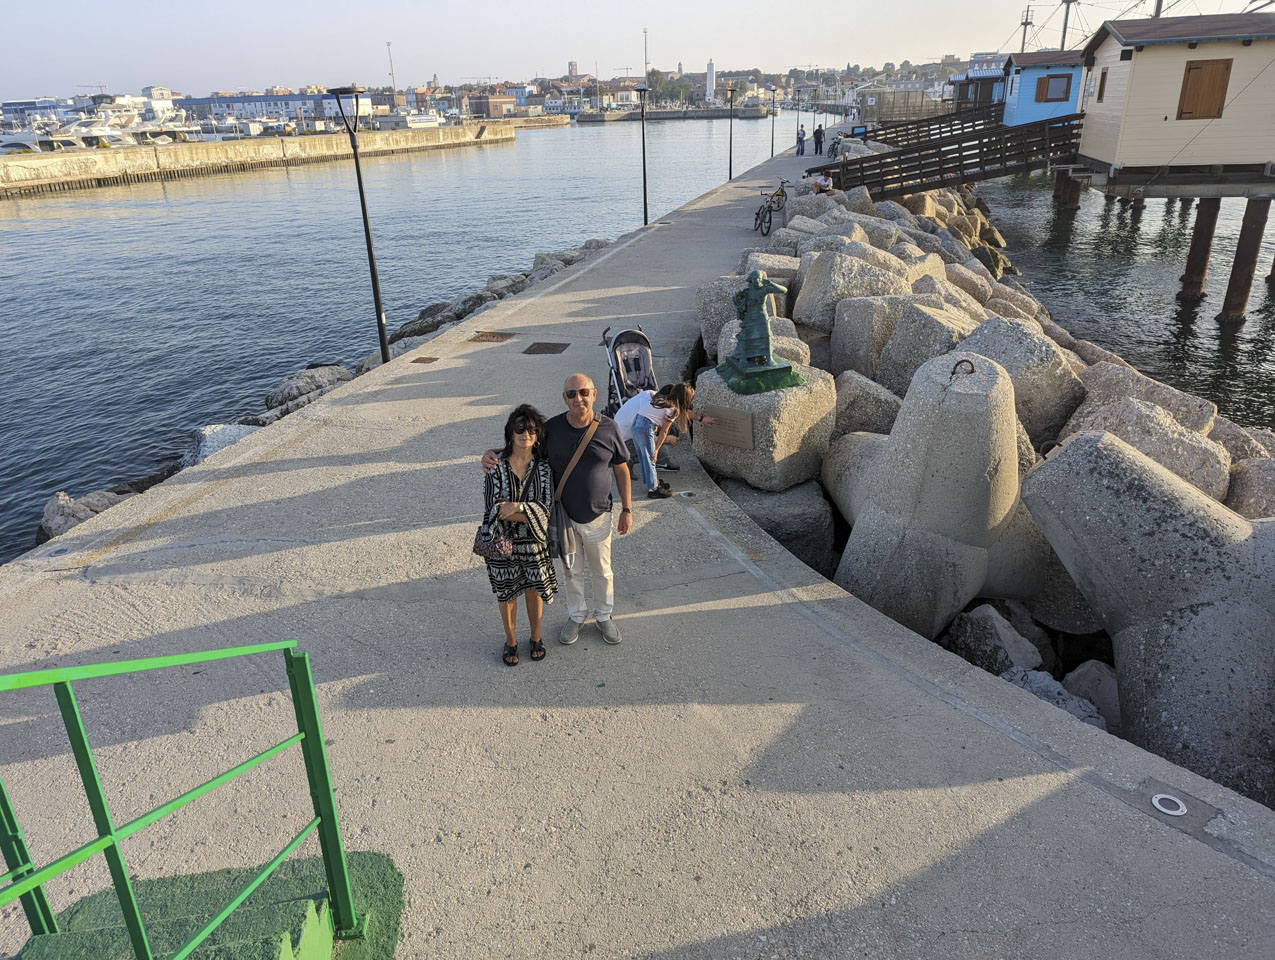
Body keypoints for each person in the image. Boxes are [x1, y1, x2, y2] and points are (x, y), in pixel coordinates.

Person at [482, 374, 632, 646]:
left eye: (584, 392)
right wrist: (492, 454)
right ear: (564, 398)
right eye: (572, 394)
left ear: (594, 394)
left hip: (599, 515)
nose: (578, 398)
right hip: (564, 518)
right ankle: (576, 615)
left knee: (603, 570)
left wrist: (627, 508)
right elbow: (522, 448)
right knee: (572, 571)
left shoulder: (608, 428)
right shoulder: (551, 429)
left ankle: (604, 616)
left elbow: (621, 468)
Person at [483, 405, 558, 666]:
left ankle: (536, 636)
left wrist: (515, 507)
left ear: (537, 435)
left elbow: (546, 510)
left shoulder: (544, 469)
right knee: (506, 593)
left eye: (531, 429)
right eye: (519, 428)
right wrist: (529, 511)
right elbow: (493, 508)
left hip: (534, 544)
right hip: (502, 543)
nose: (525, 433)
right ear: (510, 432)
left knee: (533, 590)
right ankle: (511, 639)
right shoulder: (495, 466)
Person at [613, 382, 717, 500]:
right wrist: (657, 449)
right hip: (636, 432)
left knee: (645, 458)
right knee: (651, 458)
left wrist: (701, 418)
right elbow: (664, 432)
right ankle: (653, 489)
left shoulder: (656, 398)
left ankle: (652, 482)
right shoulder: (673, 410)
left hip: (636, 426)